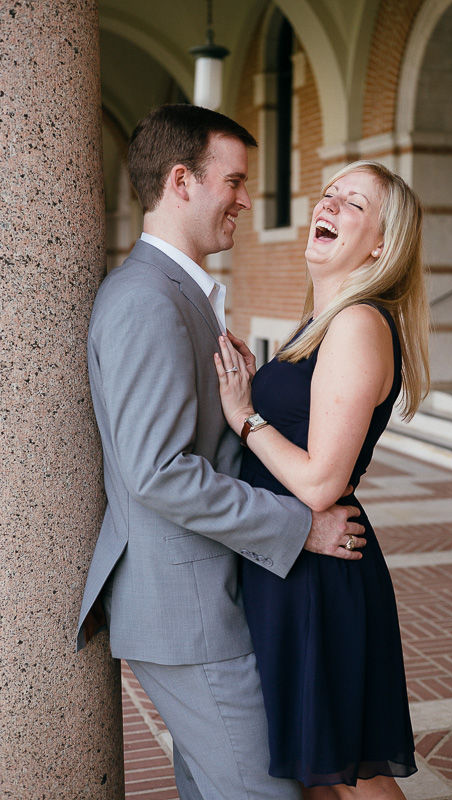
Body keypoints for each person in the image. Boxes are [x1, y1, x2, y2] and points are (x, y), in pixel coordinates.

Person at [76, 104, 367, 800]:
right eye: (233, 181)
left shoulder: (183, 292)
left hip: (201, 599)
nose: (244, 197)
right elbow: (158, 473)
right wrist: (304, 526)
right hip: (188, 612)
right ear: (182, 181)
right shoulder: (148, 299)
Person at [214, 160, 430, 799]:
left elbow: (318, 484)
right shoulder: (322, 321)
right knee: (312, 774)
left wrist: (245, 416)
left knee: (350, 779)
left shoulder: (359, 324)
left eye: (353, 204)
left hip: (318, 577)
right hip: (288, 564)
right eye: (329, 194)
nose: (328, 205)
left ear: (382, 244)